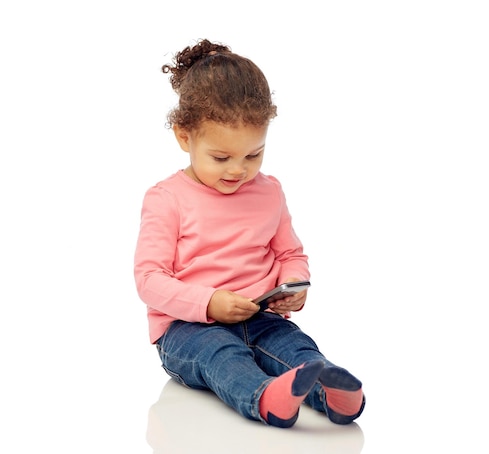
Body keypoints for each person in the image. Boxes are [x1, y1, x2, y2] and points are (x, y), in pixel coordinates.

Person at [134, 39, 365, 429]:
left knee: (294, 347)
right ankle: (262, 398)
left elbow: (290, 253)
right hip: (187, 329)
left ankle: (330, 390)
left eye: (253, 155)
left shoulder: (269, 191)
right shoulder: (167, 199)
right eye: (221, 158)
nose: (238, 170)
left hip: (259, 315)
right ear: (184, 137)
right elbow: (149, 280)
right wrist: (209, 303)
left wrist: (292, 283)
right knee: (221, 354)